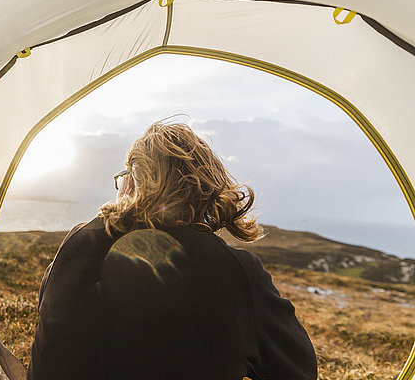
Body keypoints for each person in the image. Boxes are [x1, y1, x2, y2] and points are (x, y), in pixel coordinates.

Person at [27, 118, 318, 380]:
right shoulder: (236, 271)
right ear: (206, 187)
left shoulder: (77, 243)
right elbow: (298, 370)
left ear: (130, 182)